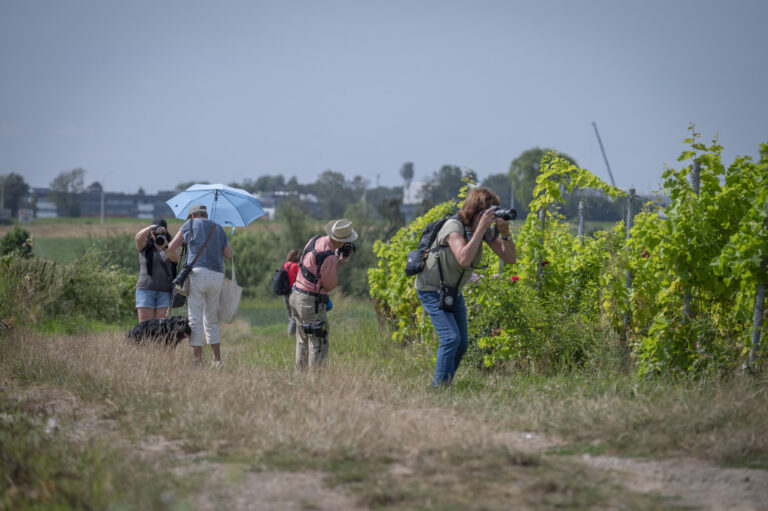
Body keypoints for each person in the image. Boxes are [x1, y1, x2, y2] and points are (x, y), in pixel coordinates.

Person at [416, 188, 517, 387]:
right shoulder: (453, 227)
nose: (491, 216)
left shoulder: (480, 231)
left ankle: (444, 384)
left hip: (452, 290)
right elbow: (463, 258)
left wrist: (505, 235)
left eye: (494, 211)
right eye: (487, 212)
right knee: (450, 338)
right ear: (475, 211)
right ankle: (439, 388)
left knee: (461, 344)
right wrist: (480, 230)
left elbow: (510, 258)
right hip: (431, 288)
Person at [168, 204, 232, 367]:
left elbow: (171, 247)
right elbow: (229, 254)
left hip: (197, 274)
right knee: (210, 320)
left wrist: (178, 257)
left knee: (195, 319)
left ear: (192, 215)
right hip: (217, 275)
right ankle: (217, 360)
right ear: (205, 214)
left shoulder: (189, 225)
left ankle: (198, 361)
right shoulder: (218, 228)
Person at [289, 218, 356, 370]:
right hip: (310, 301)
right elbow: (329, 285)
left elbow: (313, 268)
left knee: (302, 339)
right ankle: (316, 383)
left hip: (296, 296)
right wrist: (339, 264)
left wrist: (334, 261)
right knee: (319, 341)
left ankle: (301, 377)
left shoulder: (315, 240)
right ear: (342, 242)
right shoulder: (329, 256)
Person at [134, 218, 179, 322]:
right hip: (145, 290)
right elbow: (138, 237)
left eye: (162, 232)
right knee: (145, 327)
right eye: (155, 232)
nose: (158, 234)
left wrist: (166, 246)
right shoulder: (145, 245)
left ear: (166, 232)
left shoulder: (171, 245)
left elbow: (175, 258)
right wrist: (152, 228)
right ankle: (146, 340)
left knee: (161, 327)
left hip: (165, 292)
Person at [282, 249, 301, 335]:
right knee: (296, 317)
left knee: (291, 317)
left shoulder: (286, 265)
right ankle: (292, 336)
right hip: (293, 293)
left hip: (285, 293)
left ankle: (290, 335)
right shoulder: (295, 266)